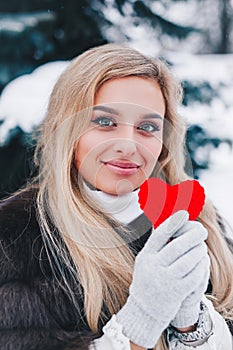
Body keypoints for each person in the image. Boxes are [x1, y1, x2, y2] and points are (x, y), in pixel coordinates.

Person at [0, 43, 233, 350]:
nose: (128, 145)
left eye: (147, 127)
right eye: (105, 122)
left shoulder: (202, 223)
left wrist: (191, 324)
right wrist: (142, 319)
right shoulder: (14, 239)